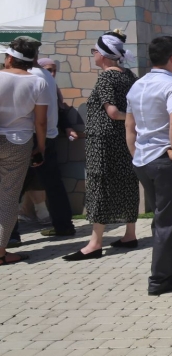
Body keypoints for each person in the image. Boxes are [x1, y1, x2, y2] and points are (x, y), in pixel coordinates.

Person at [126, 36, 172, 295]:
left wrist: (136, 154)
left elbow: (130, 126)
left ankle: (171, 265)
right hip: (165, 159)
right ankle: (160, 279)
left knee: (161, 217)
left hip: (143, 158)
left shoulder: (137, 85)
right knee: (167, 221)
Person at [65, 30, 139, 261]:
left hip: (104, 142)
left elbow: (113, 112)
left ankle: (95, 243)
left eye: (94, 51)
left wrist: (128, 117)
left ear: (104, 55)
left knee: (100, 186)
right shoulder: (129, 76)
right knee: (127, 182)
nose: (93, 54)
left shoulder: (107, 77)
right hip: (125, 138)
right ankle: (130, 234)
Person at [15, 42, 74, 238]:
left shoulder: (30, 76)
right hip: (47, 136)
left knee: (13, 187)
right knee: (53, 184)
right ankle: (64, 225)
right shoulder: (46, 75)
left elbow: (36, 116)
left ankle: (10, 235)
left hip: (31, 137)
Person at [0, 39, 49, 265]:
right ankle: (1, 252)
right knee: (9, 197)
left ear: (10, 57)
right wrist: (41, 147)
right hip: (19, 142)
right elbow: (41, 121)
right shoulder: (38, 82)